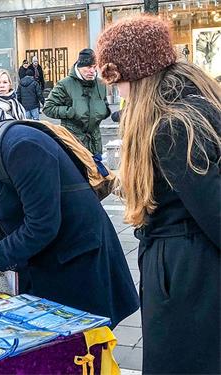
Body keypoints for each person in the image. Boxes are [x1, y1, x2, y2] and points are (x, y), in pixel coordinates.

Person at [0, 108, 139, 328]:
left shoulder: (21, 147)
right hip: (46, 262)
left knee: (83, 348)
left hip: (78, 264)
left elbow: (42, 225)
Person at [96, 16, 220, 374]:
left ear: (137, 76)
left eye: (117, 81)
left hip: (186, 274)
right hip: (190, 266)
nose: (117, 92)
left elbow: (213, 210)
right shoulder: (196, 102)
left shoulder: (172, 126)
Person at [43, 48, 111, 155]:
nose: (92, 71)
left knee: (96, 171)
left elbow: (104, 104)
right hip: (74, 141)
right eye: (88, 67)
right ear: (79, 67)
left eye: (94, 67)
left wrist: (105, 111)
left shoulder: (100, 84)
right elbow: (48, 108)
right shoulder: (65, 84)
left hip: (95, 142)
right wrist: (70, 112)